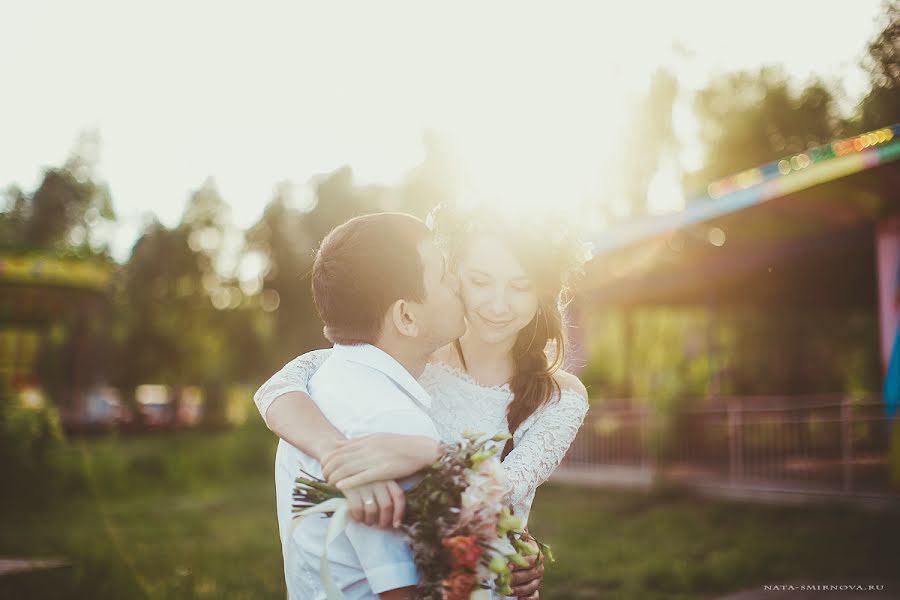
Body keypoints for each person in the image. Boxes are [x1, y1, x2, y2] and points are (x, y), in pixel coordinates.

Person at [256, 204, 589, 600]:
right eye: (480, 281)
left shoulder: (561, 396)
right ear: (455, 276)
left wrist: (431, 452)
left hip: (493, 581)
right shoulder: (413, 354)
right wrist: (336, 454)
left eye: (520, 286)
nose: (498, 304)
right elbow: (281, 386)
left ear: (543, 292)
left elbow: (509, 486)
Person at [275, 212, 465, 600]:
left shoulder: (320, 382)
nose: (457, 283)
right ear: (406, 316)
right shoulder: (392, 427)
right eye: (443, 275)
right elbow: (406, 592)